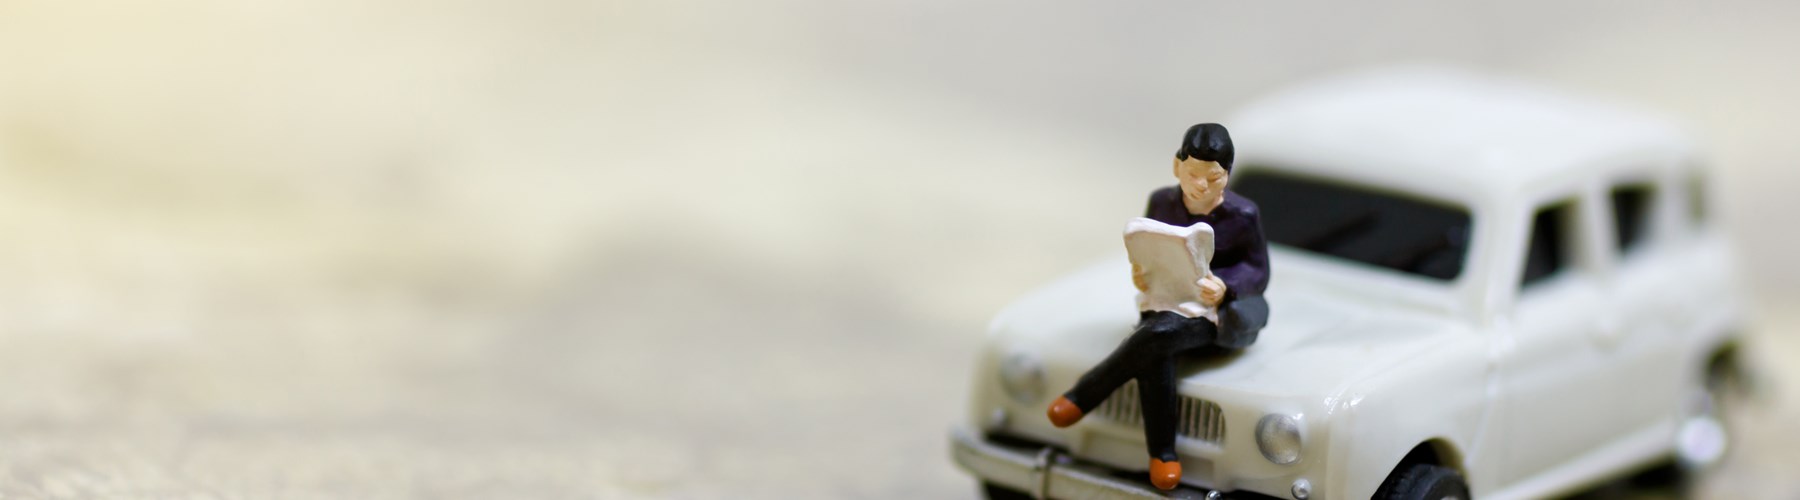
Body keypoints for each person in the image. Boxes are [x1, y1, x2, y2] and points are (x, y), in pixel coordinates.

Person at [1044, 123, 1270, 491]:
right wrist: (1143, 273)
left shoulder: (1243, 215)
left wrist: (1226, 286)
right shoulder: (1161, 202)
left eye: (1213, 179)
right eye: (1194, 174)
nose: (1201, 185)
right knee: (1157, 350)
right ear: (1176, 166)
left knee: (1159, 335)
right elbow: (1149, 246)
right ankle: (1162, 455)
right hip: (1166, 296)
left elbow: (1258, 269)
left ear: (1226, 175)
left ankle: (1086, 394)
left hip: (1212, 311)